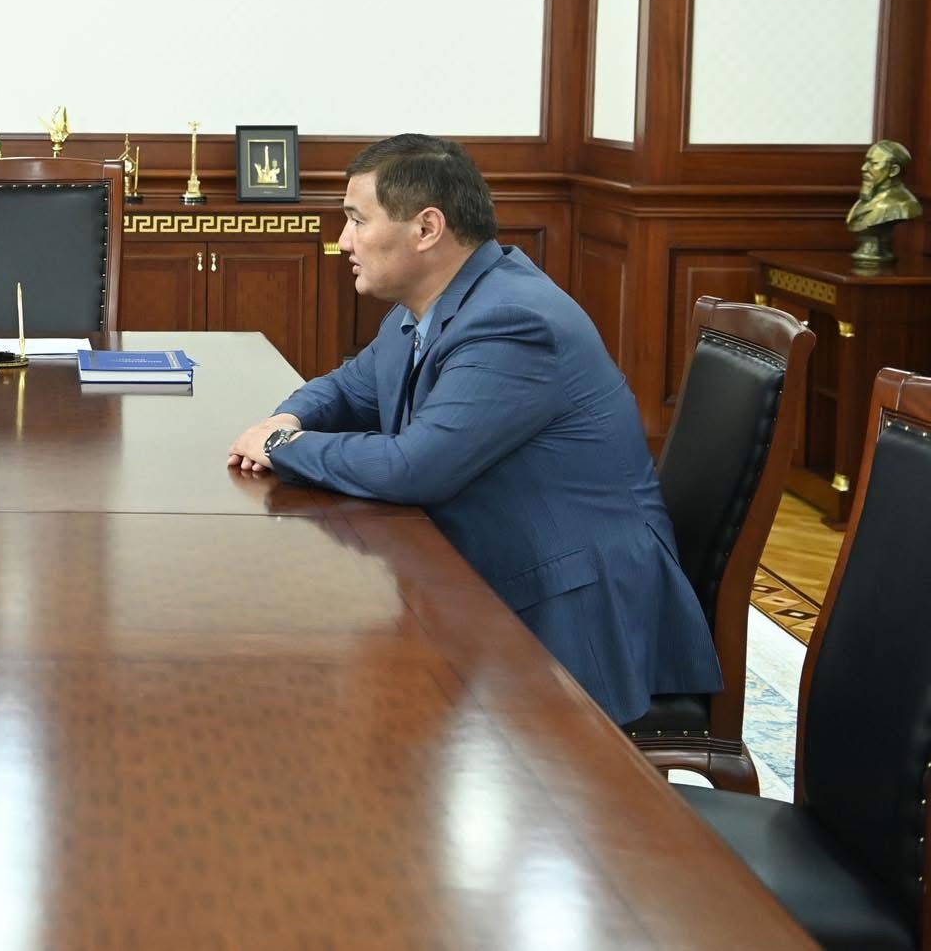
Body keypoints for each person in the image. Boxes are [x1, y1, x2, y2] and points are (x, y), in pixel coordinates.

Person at [225, 134, 718, 724]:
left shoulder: (513, 322)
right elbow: (350, 387)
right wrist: (288, 417)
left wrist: (283, 446)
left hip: (572, 616)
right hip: (495, 576)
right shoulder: (430, 306)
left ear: (426, 228)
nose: (343, 241)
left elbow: (415, 468)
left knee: (347, 701)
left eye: (357, 220)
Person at [845, 138, 921, 233]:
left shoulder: (903, 204)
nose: (863, 168)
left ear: (893, 170)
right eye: (866, 162)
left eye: (874, 163)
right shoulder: (870, 195)